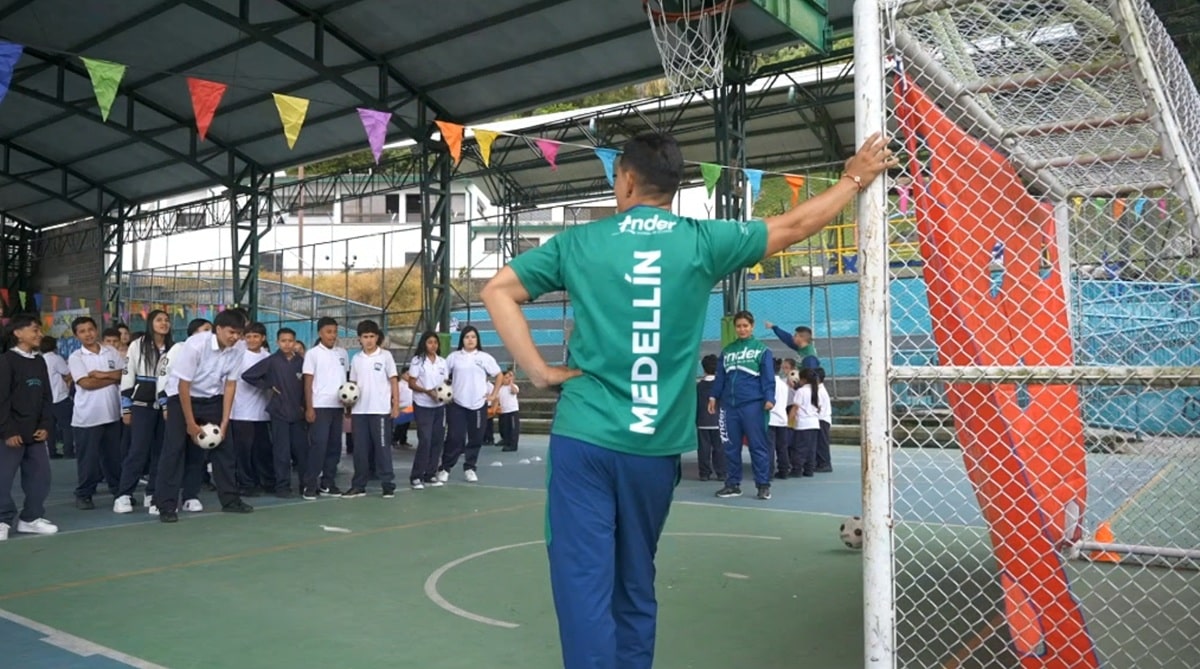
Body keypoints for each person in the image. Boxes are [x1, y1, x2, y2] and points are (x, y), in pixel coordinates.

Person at [479, 130, 895, 669]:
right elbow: (795, 224)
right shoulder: (702, 240)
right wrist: (853, 178)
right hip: (653, 449)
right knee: (634, 581)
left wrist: (537, 372)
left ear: (624, 177)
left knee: (582, 584)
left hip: (585, 439)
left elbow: (497, 290)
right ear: (675, 185)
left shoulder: (579, 243)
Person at [155, 310, 249, 523]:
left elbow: (231, 384)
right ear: (218, 329)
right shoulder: (196, 344)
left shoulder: (238, 349)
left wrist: (225, 422)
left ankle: (231, 500)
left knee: (225, 448)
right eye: (231, 332)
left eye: (239, 333)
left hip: (212, 398)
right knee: (174, 450)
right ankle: (166, 505)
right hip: (182, 398)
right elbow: (183, 385)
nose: (235, 337)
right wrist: (190, 423)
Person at [0, 315, 59, 540]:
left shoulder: (39, 361)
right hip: (11, 433)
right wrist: (8, 431)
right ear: (18, 333)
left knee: (40, 476)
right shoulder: (6, 361)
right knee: (3, 478)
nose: (39, 334)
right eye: (34, 330)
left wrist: (45, 425)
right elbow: (2, 400)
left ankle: (30, 518)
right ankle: (2, 519)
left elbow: (46, 397)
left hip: (35, 432)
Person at [708, 310, 775, 500]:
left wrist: (769, 398)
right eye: (738, 326)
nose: (742, 329)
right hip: (729, 406)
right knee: (730, 446)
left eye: (745, 325)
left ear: (752, 327)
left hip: (753, 405)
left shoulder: (762, 350)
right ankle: (732, 484)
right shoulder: (727, 351)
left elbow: (768, 377)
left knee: (758, 446)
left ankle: (763, 485)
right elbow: (720, 377)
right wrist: (713, 396)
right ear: (735, 328)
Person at [113, 309, 173, 514]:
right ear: (150, 323)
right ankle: (124, 495)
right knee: (137, 451)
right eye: (159, 320)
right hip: (141, 406)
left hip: (165, 409)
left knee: (160, 452)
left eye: (167, 320)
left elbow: (171, 380)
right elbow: (128, 375)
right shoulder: (137, 345)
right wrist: (126, 407)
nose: (164, 323)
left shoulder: (173, 348)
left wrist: (167, 405)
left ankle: (153, 493)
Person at [241, 327, 306, 497]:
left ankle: (306, 484)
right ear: (277, 342)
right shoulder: (272, 361)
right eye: (283, 341)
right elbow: (248, 375)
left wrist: (305, 406)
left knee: (302, 451)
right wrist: (268, 386)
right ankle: (282, 487)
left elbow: (307, 386)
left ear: (295, 342)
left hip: (298, 414)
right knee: (281, 453)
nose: (287, 344)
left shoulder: (301, 361)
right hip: (279, 413)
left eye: (290, 341)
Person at [67, 316, 124, 510]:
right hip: (87, 418)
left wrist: (101, 374)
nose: (88, 334)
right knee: (88, 461)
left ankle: (120, 493)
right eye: (82, 331)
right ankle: (84, 494)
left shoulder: (111, 351)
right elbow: (86, 383)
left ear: (96, 329)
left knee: (114, 459)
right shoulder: (76, 357)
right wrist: (112, 378)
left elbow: (124, 375)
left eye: (90, 329)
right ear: (76, 335)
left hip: (112, 414)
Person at [343, 319, 400, 498]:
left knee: (382, 447)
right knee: (360, 450)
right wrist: (348, 405)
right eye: (365, 337)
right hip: (360, 411)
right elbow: (352, 385)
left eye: (372, 336)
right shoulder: (356, 359)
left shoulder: (385, 356)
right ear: (359, 339)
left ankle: (387, 483)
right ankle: (359, 485)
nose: (368, 340)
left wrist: (395, 404)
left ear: (377, 337)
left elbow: (393, 380)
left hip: (380, 410)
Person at [438, 325, 501, 483]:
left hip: (479, 404)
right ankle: (445, 467)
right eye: (467, 337)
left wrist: (493, 395)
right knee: (455, 437)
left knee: (476, 438)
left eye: (473, 337)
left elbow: (499, 375)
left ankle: (470, 467)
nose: (470, 340)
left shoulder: (485, 357)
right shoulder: (454, 357)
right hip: (457, 403)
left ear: (477, 339)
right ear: (462, 340)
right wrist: (444, 396)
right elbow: (444, 377)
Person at [302, 316, 349, 499]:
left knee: (334, 446)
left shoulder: (342, 353)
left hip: (337, 407)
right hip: (320, 406)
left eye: (335, 332)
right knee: (318, 446)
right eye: (329, 332)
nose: (332, 335)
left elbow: (346, 381)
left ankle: (328, 484)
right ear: (320, 333)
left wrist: (347, 404)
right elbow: (308, 383)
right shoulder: (313, 354)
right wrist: (309, 407)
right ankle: (310, 485)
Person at [230, 322, 272, 496]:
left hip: (263, 413)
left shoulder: (268, 357)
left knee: (262, 450)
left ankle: (266, 482)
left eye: (256, 336)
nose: (252, 340)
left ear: (263, 338)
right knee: (243, 452)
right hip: (241, 412)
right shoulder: (237, 356)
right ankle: (246, 484)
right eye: (248, 337)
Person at [406, 331, 448, 490]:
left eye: (435, 342)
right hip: (423, 404)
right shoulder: (417, 361)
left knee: (437, 440)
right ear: (424, 343)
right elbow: (411, 383)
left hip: (439, 406)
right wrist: (427, 391)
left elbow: (445, 383)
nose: (433, 345)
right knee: (425, 440)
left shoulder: (442, 362)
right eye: (430, 342)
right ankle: (416, 475)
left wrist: (442, 394)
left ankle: (430, 474)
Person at [695, 354, 724, 481]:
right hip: (719, 421)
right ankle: (721, 472)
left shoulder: (699, 386)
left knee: (703, 448)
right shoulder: (721, 384)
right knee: (720, 448)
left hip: (702, 421)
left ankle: (704, 473)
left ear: (703, 369)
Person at [495, 368, 520, 452]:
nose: (507, 379)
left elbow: (514, 391)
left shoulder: (512, 387)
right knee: (505, 428)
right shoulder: (500, 388)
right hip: (503, 411)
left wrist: (511, 383)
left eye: (509, 377)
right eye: (506, 377)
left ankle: (513, 445)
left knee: (513, 428)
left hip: (512, 411)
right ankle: (506, 441)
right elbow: (496, 399)